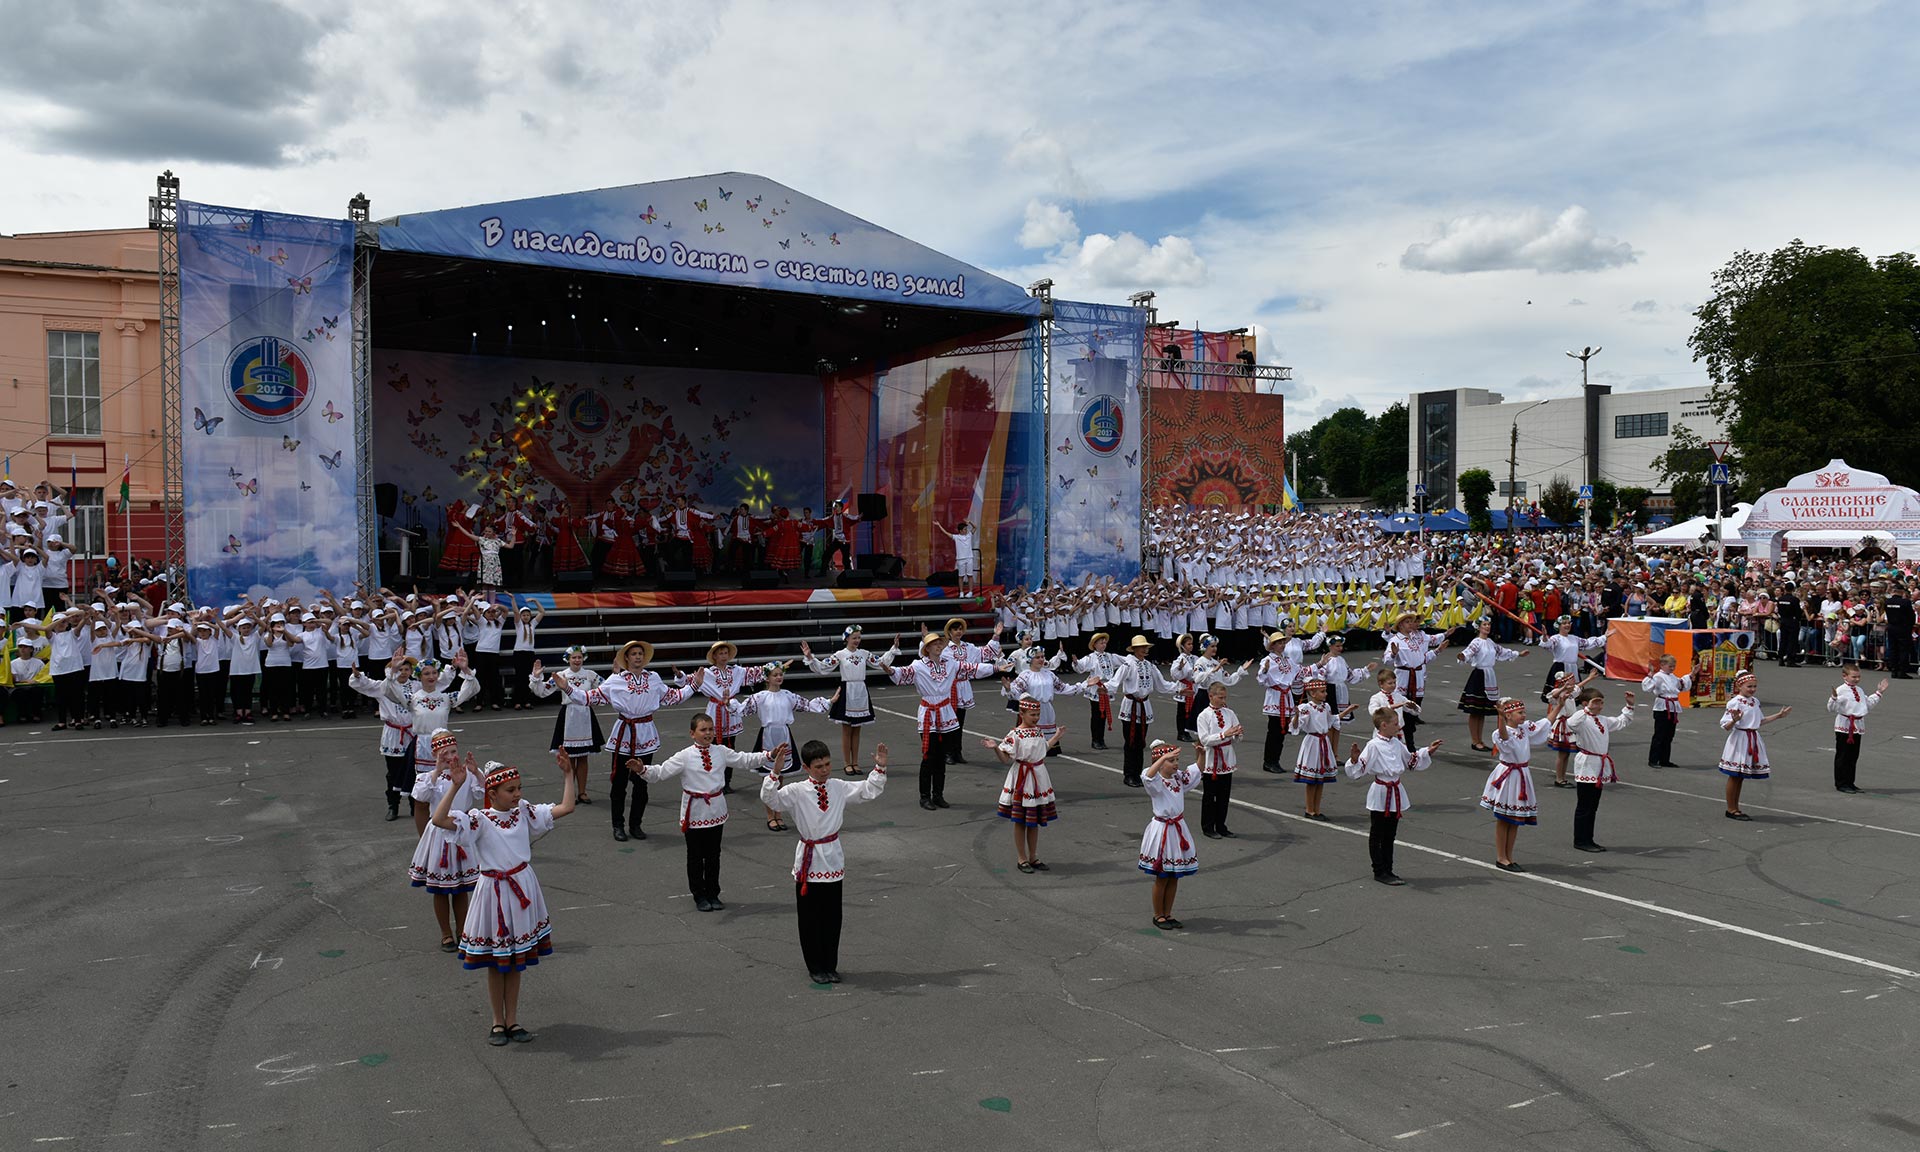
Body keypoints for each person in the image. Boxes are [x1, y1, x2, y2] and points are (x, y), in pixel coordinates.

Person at [432, 751, 578, 1045]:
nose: (517, 794)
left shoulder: (523, 811)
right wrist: (456, 786)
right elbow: (439, 819)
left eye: (519, 788)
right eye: (511, 790)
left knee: (515, 961)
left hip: (521, 887)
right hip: (493, 892)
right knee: (496, 961)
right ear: (492, 793)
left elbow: (566, 807)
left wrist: (568, 775)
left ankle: (513, 1020)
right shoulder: (480, 820)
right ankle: (497, 1022)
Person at [761, 739, 890, 985]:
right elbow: (771, 799)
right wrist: (775, 772)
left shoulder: (838, 787)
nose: (825, 770)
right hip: (809, 860)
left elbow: (867, 790)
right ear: (807, 768)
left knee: (832, 917)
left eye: (828, 764)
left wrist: (880, 768)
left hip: (832, 857)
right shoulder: (797, 791)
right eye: (819, 766)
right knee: (810, 917)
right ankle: (815, 966)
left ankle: (830, 965)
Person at [642, 713, 789, 912]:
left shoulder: (720, 751)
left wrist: (769, 755)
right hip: (695, 812)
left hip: (716, 811)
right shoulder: (685, 756)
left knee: (713, 855)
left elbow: (744, 760)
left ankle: (713, 893)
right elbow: (661, 772)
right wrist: (642, 769)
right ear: (692, 733)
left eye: (711, 729)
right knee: (695, 856)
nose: (708, 733)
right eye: (703, 730)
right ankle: (699, 895)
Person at [563, 641, 703, 843]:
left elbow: (673, 697)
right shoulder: (616, 680)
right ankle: (617, 825)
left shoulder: (653, 678)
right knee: (619, 782)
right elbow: (589, 697)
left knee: (642, 782)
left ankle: (636, 824)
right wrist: (567, 688)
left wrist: (694, 685)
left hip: (645, 734)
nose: (638, 657)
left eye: (640, 653)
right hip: (624, 734)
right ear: (626, 658)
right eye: (634, 653)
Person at [885, 632, 1006, 811]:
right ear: (927, 648)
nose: (938, 646)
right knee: (929, 755)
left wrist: (995, 668)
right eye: (934, 644)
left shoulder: (951, 664)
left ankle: (938, 794)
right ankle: (924, 796)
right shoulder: (918, 665)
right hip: (929, 713)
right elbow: (902, 673)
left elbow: (972, 668)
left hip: (946, 712)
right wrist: (890, 670)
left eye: (940, 643)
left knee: (941, 756)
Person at [728, 661, 834, 831]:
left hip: (784, 734)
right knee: (769, 777)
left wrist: (829, 702)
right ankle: (770, 816)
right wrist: (729, 703)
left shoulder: (788, 695)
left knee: (781, 776)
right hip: (768, 735)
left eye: (780, 674)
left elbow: (806, 705)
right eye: (775, 675)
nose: (779, 677)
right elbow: (742, 710)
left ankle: (778, 813)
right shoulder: (760, 697)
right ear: (767, 678)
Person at [410, 731, 480, 951]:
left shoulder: (466, 774)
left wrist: (476, 771)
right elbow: (420, 797)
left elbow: (483, 792)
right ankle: (445, 933)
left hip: (461, 831)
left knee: (461, 888)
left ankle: (462, 931)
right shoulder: (428, 778)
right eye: (445, 753)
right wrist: (437, 770)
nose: (450, 757)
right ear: (435, 755)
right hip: (439, 834)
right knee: (440, 889)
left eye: (453, 751)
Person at [801, 626, 899, 776]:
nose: (857, 640)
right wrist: (810, 657)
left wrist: (893, 648)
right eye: (854, 638)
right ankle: (847, 763)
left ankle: (855, 762)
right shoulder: (840, 655)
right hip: (847, 691)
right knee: (847, 730)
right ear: (846, 638)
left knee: (857, 729)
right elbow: (823, 667)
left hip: (860, 691)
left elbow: (880, 662)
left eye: (859, 637)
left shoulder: (864, 654)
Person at [989, 697, 1061, 872]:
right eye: (1032, 715)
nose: (1036, 718)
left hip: (1038, 777)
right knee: (1021, 821)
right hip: (1023, 778)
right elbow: (1005, 759)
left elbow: (1043, 749)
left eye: (1037, 714)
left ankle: (1033, 856)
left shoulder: (1037, 731)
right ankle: (1022, 858)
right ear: (1022, 714)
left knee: (1034, 820)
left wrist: (1057, 736)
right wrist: (995, 748)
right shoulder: (1015, 734)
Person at [347, 651, 420, 821]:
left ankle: (415, 805)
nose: (403, 672)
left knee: (414, 770)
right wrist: (358, 676)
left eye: (407, 669)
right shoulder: (384, 686)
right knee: (393, 772)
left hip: (412, 733)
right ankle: (393, 805)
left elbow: (435, 684)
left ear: (411, 671)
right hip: (393, 734)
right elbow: (365, 684)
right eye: (399, 669)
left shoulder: (417, 686)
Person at [1483, 697, 1552, 871]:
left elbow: (1544, 724)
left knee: (1515, 820)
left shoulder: (1524, 728)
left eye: (1524, 712)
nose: (1524, 715)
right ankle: (1501, 857)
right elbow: (1504, 738)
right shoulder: (1500, 732)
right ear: (1508, 715)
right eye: (1520, 712)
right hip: (1509, 776)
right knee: (1503, 818)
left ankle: (1509, 856)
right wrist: (1500, 717)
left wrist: (1559, 705)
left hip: (1521, 774)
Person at [528, 646, 602, 806]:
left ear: (584, 658)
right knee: (569, 757)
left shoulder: (590, 675)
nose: (577, 660)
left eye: (579, 657)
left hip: (585, 716)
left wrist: (616, 674)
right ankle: (571, 793)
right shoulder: (561, 675)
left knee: (583, 757)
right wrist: (536, 677)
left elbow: (605, 688)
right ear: (568, 659)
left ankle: (582, 792)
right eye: (574, 657)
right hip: (569, 716)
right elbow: (542, 691)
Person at [1138, 740, 1197, 929]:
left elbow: (1195, 772)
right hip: (1162, 830)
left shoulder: (1177, 778)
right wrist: (1162, 757)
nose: (1176, 763)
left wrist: (1202, 754)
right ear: (1160, 762)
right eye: (1171, 760)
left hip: (1177, 829)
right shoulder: (1156, 781)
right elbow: (1148, 776)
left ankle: (1168, 913)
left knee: (1174, 876)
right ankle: (1158, 915)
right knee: (1162, 876)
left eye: (1176, 760)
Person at [1569, 685, 1636, 851]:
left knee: (1593, 806)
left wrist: (1629, 705)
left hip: (1599, 765)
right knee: (1585, 805)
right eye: (1596, 702)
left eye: (1601, 702)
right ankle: (1580, 840)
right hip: (1587, 765)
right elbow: (1571, 723)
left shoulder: (1603, 720)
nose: (1600, 706)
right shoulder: (1582, 720)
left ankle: (1588, 838)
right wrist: (1586, 709)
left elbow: (1621, 721)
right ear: (1585, 703)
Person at [1718, 671, 1789, 820]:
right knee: (1734, 775)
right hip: (1740, 739)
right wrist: (1734, 720)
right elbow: (1725, 726)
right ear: (1740, 686)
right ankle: (1731, 809)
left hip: (1752, 738)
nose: (1752, 689)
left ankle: (1735, 808)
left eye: (1754, 686)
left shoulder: (1755, 701)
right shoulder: (1735, 702)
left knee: (1740, 777)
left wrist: (1778, 715)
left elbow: (1759, 721)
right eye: (1749, 686)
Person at [1456, 618, 1526, 751]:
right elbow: (1468, 652)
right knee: (1475, 710)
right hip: (1479, 676)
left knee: (1481, 711)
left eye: (1488, 624)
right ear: (1479, 627)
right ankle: (1475, 740)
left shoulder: (1490, 642)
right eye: (1484, 625)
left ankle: (1479, 740)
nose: (1487, 627)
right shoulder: (1476, 642)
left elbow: (1502, 651)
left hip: (1489, 676)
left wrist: (1518, 654)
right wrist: (1462, 657)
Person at [1291, 676, 1353, 821]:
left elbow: (1332, 720)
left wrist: (1347, 710)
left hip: (1323, 742)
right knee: (1311, 780)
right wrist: (1296, 716)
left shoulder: (1326, 707)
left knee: (1321, 780)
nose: (1326, 694)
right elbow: (1297, 725)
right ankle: (1309, 810)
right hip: (1313, 743)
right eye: (1322, 691)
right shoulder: (1306, 708)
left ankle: (1317, 810)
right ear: (1313, 693)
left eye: (1325, 691)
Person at [1194, 681, 1245, 840]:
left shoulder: (1230, 713)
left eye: (1225, 697)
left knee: (1224, 796)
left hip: (1227, 758)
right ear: (1211, 696)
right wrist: (1224, 735)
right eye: (1220, 697)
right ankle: (1208, 827)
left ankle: (1221, 826)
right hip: (1211, 760)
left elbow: (1237, 738)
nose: (1223, 701)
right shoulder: (1204, 716)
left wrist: (1237, 734)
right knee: (1210, 796)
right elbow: (1205, 740)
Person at [1826, 665, 1888, 794]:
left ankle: (1850, 782)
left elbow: (1868, 704)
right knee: (1843, 755)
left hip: (1857, 726)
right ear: (1845, 676)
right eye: (1854, 677)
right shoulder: (1841, 690)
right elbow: (1831, 708)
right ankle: (1841, 783)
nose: (1857, 679)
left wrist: (1879, 692)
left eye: (1858, 676)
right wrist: (1833, 698)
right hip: (1845, 726)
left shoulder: (1859, 690)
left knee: (1853, 756)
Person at [1072, 631, 1124, 750]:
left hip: (1106, 688)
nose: (1103, 645)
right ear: (1095, 645)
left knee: (1103, 715)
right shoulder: (1091, 657)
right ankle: (1095, 739)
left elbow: (1125, 661)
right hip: (1096, 688)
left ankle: (1101, 739)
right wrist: (1076, 662)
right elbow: (1080, 666)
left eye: (1105, 643)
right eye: (1101, 643)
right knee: (1097, 714)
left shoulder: (1110, 656)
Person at [1639, 654, 1692, 769]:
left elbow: (1681, 685)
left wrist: (1692, 674)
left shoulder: (1672, 677)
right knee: (1659, 735)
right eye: (1670, 666)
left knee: (1669, 735)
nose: (1672, 668)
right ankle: (1653, 760)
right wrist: (1650, 675)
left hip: (1672, 707)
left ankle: (1664, 760)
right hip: (1662, 707)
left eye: (1674, 666)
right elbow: (1647, 687)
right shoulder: (1658, 676)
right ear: (1662, 665)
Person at [1540, 615, 1605, 702]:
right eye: (1564, 623)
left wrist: (1605, 636)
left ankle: (1570, 709)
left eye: (1568, 623)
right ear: (1558, 626)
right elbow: (1548, 644)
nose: (1567, 625)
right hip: (1560, 668)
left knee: (1573, 692)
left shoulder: (1574, 638)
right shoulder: (1556, 638)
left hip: (1573, 668)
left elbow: (1588, 643)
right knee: (1558, 694)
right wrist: (1544, 636)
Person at [935, 520, 978, 598]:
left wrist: (970, 522)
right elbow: (946, 533)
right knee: (961, 576)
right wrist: (939, 525)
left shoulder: (969, 535)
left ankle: (970, 592)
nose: (966, 530)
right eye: (965, 529)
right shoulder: (956, 537)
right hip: (960, 559)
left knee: (970, 575)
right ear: (960, 531)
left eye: (966, 529)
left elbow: (975, 527)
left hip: (969, 558)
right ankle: (961, 592)